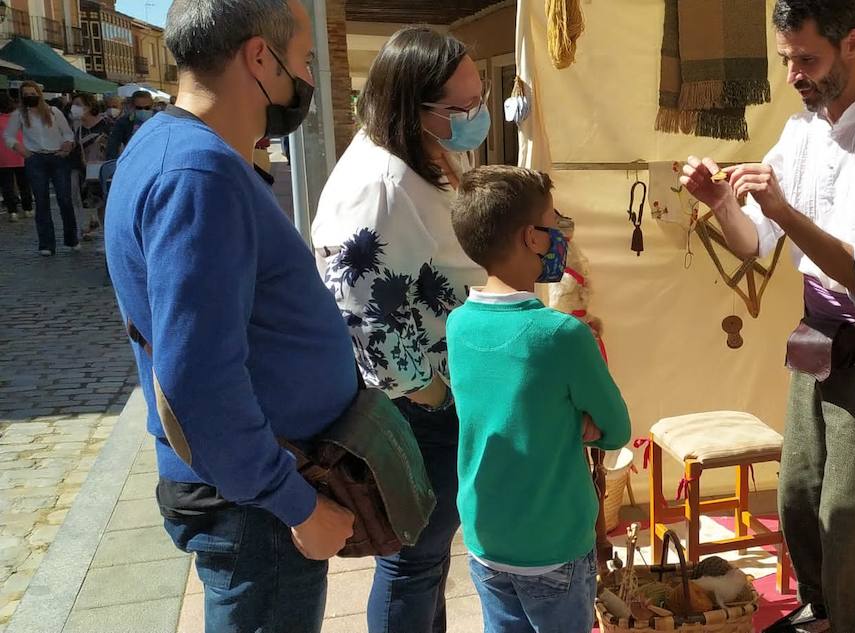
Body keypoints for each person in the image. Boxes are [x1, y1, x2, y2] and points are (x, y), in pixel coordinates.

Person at [680, 1, 855, 631]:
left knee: (852, 518)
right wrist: (720, 200)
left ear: (853, 43)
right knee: (798, 499)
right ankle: (820, 616)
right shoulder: (801, 132)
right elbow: (754, 244)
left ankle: (852, 623)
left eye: (807, 59)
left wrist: (786, 212)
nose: (794, 74)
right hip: (817, 339)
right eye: (786, 60)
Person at [104, 1, 356, 631]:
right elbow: (200, 378)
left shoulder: (177, 147)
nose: (304, 81)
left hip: (249, 493)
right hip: (255, 509)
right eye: (301, 61)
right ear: (259, 57)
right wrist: (296, 506)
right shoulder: (199, 172)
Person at [311, 26, 487, 632]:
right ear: (412, 105)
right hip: (416, 403)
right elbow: (359, 308)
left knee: (429, 560)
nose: (475, 115)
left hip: (440, 388)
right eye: (460, 109)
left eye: (478, 99)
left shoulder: (423, 153)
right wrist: (431, 395)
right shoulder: (379, 182)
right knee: (412, 562)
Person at [448, 165, 631, 633]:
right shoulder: (562, 334)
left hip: (485, 532)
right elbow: (616, 428)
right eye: (555, 224)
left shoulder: (458, 323)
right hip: (553, 541)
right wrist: (579, 419)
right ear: (532, 238)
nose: (560, 236)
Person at [5, 81, 79, 256]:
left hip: (57, 156)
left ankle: (71, 239)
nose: (30, 96)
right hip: (35, 158)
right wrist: (20, 149)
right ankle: (46, 244)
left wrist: (67, 145)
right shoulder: (19, 115)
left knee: (64, 199)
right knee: (42, 201)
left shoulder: (54, 112)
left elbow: (67, 132)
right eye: (26, 94)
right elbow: (8, 135)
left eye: (33, 93)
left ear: (39, 93)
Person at [72, 93, 112, 239]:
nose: (74, 107)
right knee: (96, 204)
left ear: (88, 106)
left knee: (105, 205)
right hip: (88, 171)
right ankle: (101, 230)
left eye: (78, 104)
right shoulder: (79, 128)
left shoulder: (106, 124)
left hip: (106, 170)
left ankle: (108, 236)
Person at [0, 94, 34, 223]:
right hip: (21, 153)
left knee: (7, 186)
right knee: (24, 184)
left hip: (3, 157)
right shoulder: (20, 118)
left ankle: (12, 211)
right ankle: (28, 208)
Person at [106, 90, 155, 160]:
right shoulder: (123, 122)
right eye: (139, 108)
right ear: (132, 106)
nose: (143, 111)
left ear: (152, 106)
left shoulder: (160, 122)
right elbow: (113, 145)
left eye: (147, 108)